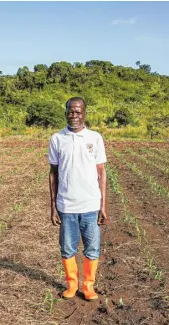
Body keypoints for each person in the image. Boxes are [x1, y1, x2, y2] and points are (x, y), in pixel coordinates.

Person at [48, 97, 107, 301]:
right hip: (66, 205)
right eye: (71, 111)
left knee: (92, 248)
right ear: (66, 112)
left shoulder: (95, 138)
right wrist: (53, 206)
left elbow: (101, 173)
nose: (74, 115)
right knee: (67, 248)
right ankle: (72, 285)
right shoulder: (57, 138)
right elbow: (53, 173)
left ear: (85, 113)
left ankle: (88, 286)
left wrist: (103, 205)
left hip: (91, 205)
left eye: (78, 111)